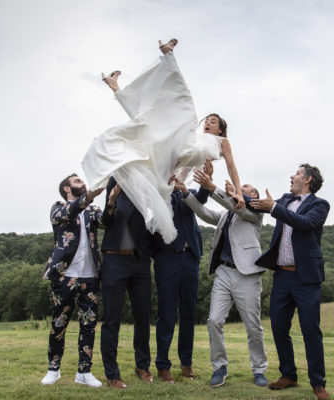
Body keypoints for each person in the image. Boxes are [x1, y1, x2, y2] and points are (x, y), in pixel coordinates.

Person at [81, 38, 245, 245]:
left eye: (213, 122)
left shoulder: (222, 142)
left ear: (221, 129)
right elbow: (190, 153)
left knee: (154, 122)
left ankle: (127, 80)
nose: (208, 123)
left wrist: (237, 192)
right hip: (176, 148)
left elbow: (229, 166)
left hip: (174, 157)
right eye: (207, 121)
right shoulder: (194, 135)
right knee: (155, 119)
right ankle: (156, 63)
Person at [175, 163, 269, 388]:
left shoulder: (254, 213)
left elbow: (238, 207)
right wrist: (186, 192)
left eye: (245, 186)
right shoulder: (228, 214)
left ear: (253, 196)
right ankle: (219, 367)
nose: (240, 186)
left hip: (247, 274)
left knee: (252, 325)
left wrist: (212, 186)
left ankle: (259, 369)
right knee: (214, 320)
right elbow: (205, 213)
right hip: (223, 272)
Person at [250, 164, 330, 400]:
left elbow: (303, 223)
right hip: (282, 276)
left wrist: (274, 207)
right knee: (278, 326)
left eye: (296, 173)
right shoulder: (284, 199)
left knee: (310, 331)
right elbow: (258, 204)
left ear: (307, 179)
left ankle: (318, 382)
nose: (291, 176)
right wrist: (227, 192)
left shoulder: (320, 205)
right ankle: (289, 375)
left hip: (306, 278)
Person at [41, 174, 105, 387]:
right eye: (77, 181)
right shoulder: (58, 207)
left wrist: (112, 200)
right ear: (67, 189)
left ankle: (84, 372)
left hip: (91, 276)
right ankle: (53, 369)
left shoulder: (92, 210)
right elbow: (70, 211)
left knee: (89, 325)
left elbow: (106, 222)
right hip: (64, 276)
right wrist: (88, 197)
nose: (82, 182)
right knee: (59, 324)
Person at [150, 165, 212, 384]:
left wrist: (207, 180)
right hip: (167, 257)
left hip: (190, 257)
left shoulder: (189, 193)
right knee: (166, 313)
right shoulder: (158, 193)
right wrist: (165, 186)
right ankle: (163, 366)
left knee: (189, 313)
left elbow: (202, 199)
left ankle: (186, 363)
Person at [99, 176, 154, 389]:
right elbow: (105, 222)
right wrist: (111, 201)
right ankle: (112, 374)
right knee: (112, 318)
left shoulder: (146, 187)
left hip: (139, 261)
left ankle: (142, 366)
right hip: (114, 260)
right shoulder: (115, 184)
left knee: (143, 316)